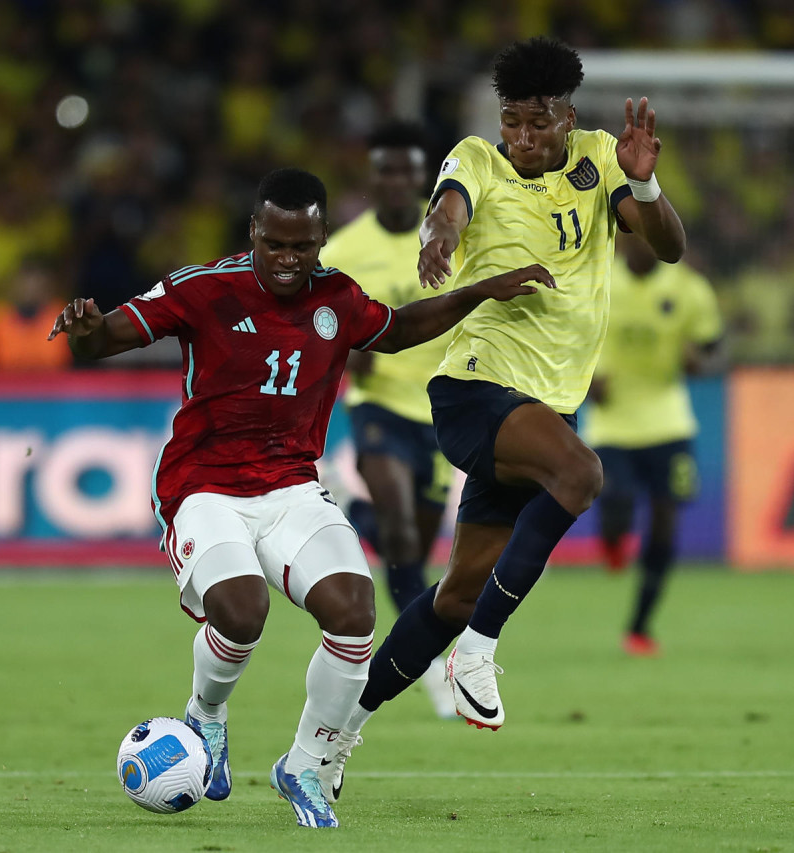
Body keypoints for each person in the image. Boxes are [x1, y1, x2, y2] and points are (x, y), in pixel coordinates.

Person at [47, 168, 550, 828]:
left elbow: (395, 329)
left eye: (303, 247)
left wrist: (480, 291)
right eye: (275, 244)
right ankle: (207, 715)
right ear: (254, 231)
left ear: (320, 239)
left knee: (354, 609)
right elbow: (104, 340)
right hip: (203, 486)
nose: (288, 261)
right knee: (243, 607)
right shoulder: (203, 288)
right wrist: (86, 327)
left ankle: (305, 765)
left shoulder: (336, 297)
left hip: (291, 485)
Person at [321, 36, 688, 798]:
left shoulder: (598, 159)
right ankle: (480, 649)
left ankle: (328, 739)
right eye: (513, 121)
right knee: (581, 474)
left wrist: (647, 190)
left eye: (538, 122)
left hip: (547, 405)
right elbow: (448, 211)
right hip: (475, 389)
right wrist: (438, 241)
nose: (524, 137)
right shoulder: (475, 160)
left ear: (568, 116)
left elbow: (671, 248)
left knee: (454, 593)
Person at [321, 121, 454, 718]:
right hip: (377, 405)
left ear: (423, 179)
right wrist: (344, 351)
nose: (397, 181)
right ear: (373, 180)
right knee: (401, 532)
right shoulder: (343, 252)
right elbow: (316, 324)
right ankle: (423, 664)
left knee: (414, 550)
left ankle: (354, 513)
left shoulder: (455, 238)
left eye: (407, 171)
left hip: (442, 405)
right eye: (386, 171)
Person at [584, 233, 723, 657]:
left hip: (669, 422)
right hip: (612, 423)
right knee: (617, 499)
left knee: (666, 523)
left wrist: (699, 363)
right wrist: (588, 382)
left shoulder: (689, 290)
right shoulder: (598, 280)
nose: (638, 244)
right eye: (630, 236)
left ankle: (640, 626)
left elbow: (714, 351)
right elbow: (568, 340)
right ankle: (611, 543)